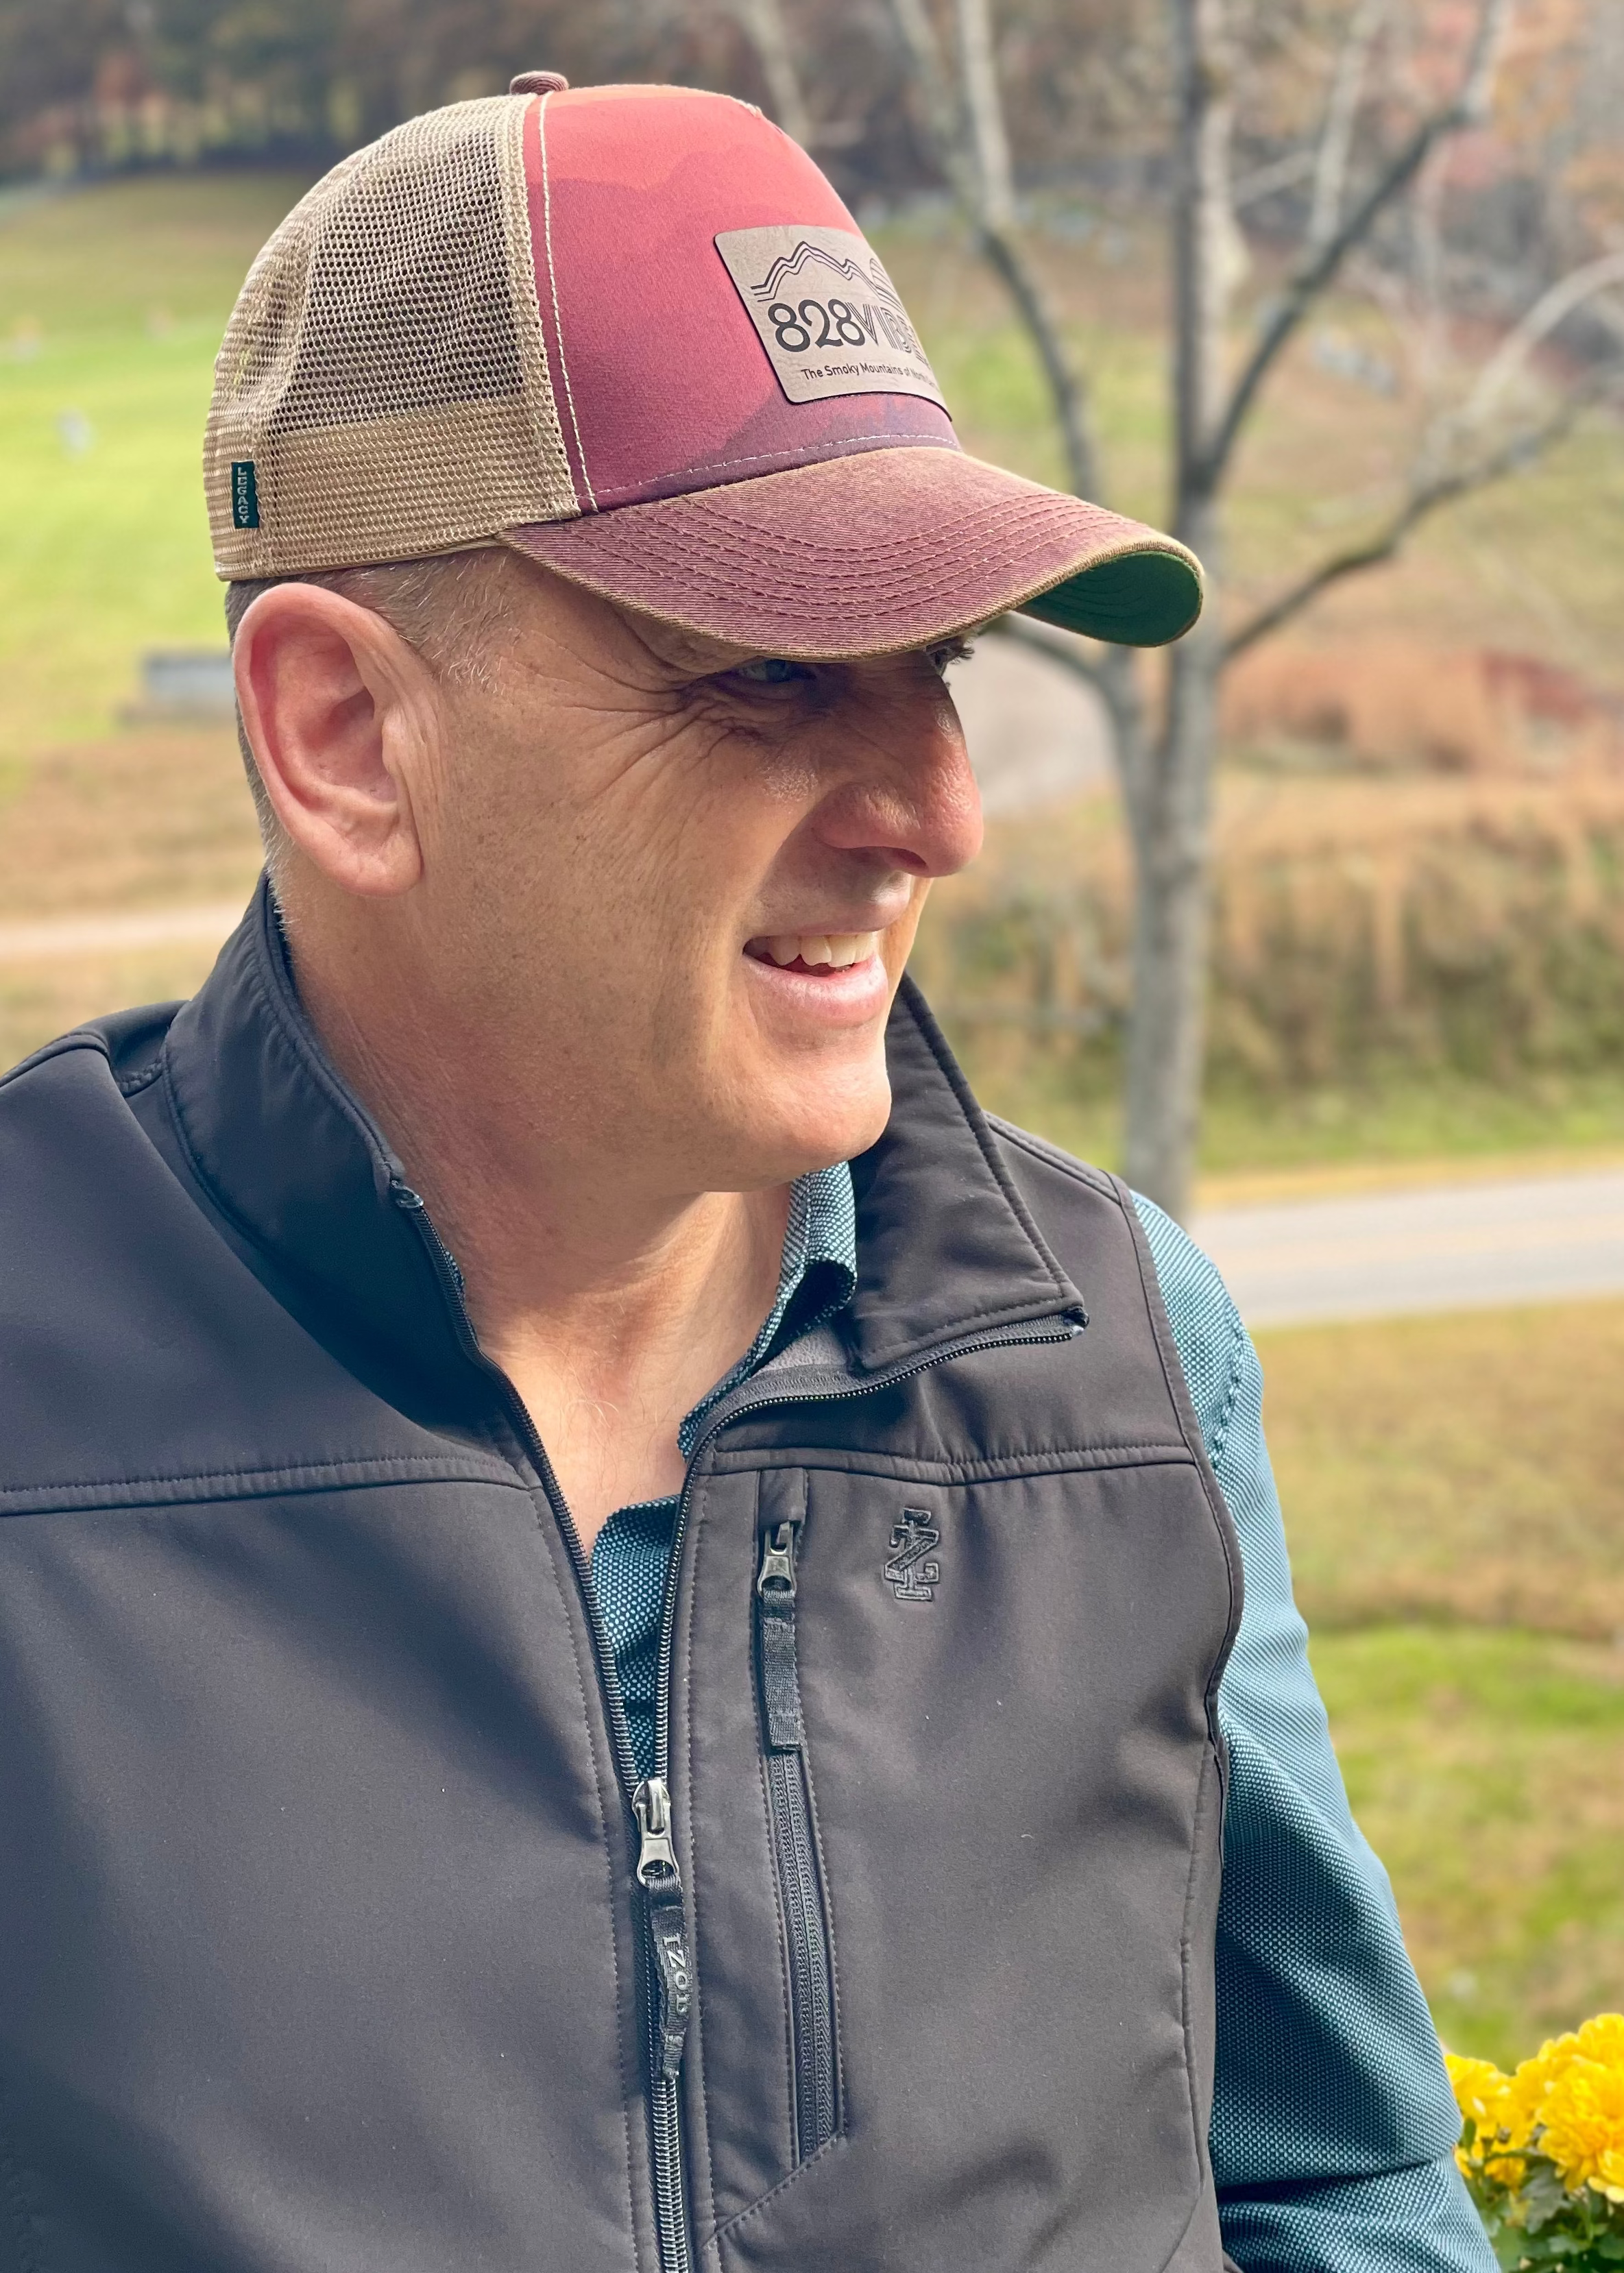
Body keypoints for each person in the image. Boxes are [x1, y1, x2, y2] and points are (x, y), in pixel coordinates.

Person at [0, 75, 1489, 2273]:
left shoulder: (1126, 1352)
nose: (936, 811)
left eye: (939, 667)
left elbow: (1328, 2186)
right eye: (771, 675)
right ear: (342, 733)